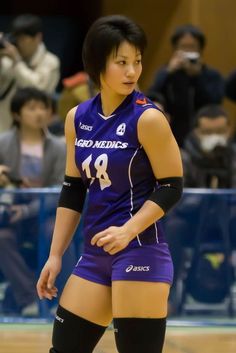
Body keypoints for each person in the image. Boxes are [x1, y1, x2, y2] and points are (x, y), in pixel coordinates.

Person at [37, 15, 183, 353]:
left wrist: (127, 231)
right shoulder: (78, 118)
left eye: (138, 61)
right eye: (122, 62)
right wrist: (55, 255)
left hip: (140, 249)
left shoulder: (148, 119)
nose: (132, 71)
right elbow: (74, 188)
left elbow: (171, 186)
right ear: (98, 64)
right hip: (95, 253)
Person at [0, 87, 73, 316]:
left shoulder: (59, 147)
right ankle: (28, 298)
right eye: (31, 108)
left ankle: (64, 299)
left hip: (45, 214)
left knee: (56, 233)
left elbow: (59, 191)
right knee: (2, 238)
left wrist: (28, 210)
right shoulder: (2, 144)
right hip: (10, 214)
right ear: (17, 114)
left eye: (43, 107)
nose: (39, 113)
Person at [164, 104, 236, 313]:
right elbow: (177, 198)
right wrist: (206, 201)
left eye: (220, 131)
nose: (214, 136)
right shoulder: (182, 156)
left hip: (229, 221)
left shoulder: (233, 157)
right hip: (193, 222)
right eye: (207, 132)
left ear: (230, 129)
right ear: (196, 131)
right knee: (173, 226)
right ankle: (166, 299)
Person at [147, 24, 224, 146]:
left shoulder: (211, 75)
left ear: (200, 50)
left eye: (192, 47)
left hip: (203, 135)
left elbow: (215, 102)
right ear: (175, 50)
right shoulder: (167, 73)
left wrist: (197, 77)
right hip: (172, 135)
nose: (188, 52)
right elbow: (150, 97)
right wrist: (168, 72)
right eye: (183, 47)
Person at [0, 13, 60, 133]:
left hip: (32, 129)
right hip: (4, 125)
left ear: (37, 38)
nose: (18, 43)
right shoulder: (7, 59)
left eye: (22, 39)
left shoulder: (50, 62)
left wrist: (17, 61)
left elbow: (37, 90)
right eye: (16, 38)